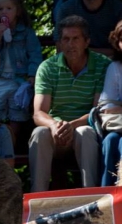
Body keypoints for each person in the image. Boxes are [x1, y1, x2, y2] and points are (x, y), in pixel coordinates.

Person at [29, 15, 110, 192]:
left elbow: (98, 111)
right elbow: (38, 113)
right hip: (56, 131)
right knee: (39, 133)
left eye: (75, 39)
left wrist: (71, 126)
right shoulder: (47, 67)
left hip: (85, 128)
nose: (70, 44)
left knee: (85, 133)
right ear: (59, 43)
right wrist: (53, 125)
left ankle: (92, 198)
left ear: (86, 41)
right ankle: (35, 200)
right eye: (65, 39)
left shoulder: (103, 65)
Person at [0, 0, 42, 139]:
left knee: (17, 112)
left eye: (9, 8)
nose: (4, 12)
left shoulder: (26, 33)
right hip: (0, 78)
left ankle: (11, 143)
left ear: (18, 11)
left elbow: (35, 54)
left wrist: (32, 74)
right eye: (1, 9)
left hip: (19, 79)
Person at [97, 21, 122, 186]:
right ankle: (107, 199)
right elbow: (107, 108)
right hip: (119, 127)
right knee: (110, 141)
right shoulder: (115, 68)